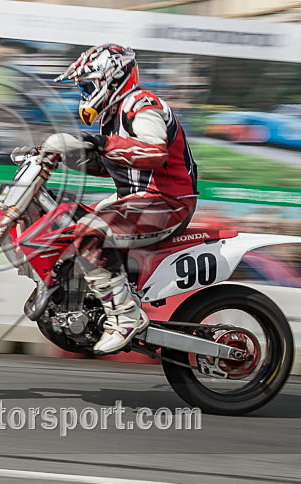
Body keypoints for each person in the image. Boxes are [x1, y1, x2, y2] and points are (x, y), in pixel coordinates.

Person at [49, 44, 199, 355]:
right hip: (136, 201)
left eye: (88, 86)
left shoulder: (142, 104)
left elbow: (153, 152)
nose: (85, 93)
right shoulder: (113, 116)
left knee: (91, 231)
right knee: (65, 217)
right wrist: (61, 155)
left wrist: (99, 142)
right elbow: (111, 165)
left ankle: (125, 316)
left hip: (167, 202)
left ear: (112, 79)